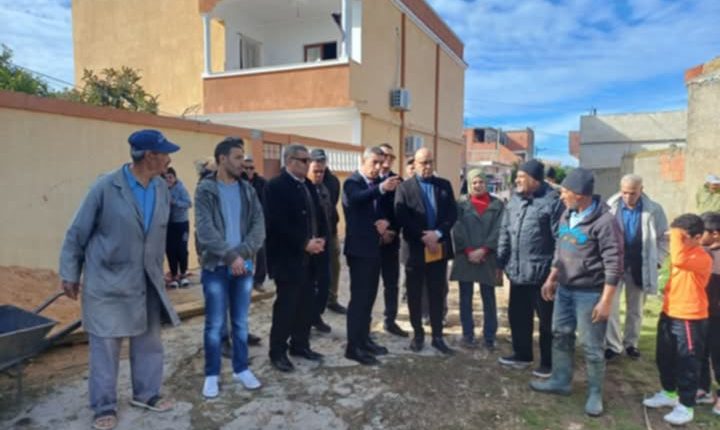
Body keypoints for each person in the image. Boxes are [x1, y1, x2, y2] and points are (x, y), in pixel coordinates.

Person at [59, 129, 180, 430]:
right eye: (165, 153)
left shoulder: (161, 188)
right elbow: (77, 232)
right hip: (108, 280)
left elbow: (158, 234)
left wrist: (161, 268)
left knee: (149, 340)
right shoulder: (106, 187)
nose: (168, 159)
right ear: (150, 156)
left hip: (147, 279)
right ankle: (104, 406)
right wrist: (70, 273)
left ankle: (147, 393)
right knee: (106, 346)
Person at [530, 167, 623, 417]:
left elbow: (614, 263)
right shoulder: (567, 214)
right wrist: (552, 277)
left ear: (579, 194)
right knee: (560, 334)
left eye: (565, 192)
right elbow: (560, 250)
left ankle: (595, 393)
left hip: (590, 293)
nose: (561, 196)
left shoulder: (606, 222)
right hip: (564, 289)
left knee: (592, 346)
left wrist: (606, 301)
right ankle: (561, 381)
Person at [195, 137, 265, 397]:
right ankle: (212, 374)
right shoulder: (206, 190)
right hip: (216, 266)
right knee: (215, 324)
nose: (242, 163)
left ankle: (241, 368)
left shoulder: (247, 190)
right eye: (237, 157)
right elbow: (205, 231)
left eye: (243, 157)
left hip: (243, 264)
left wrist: (241, 256)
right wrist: (229, 257)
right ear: (222, 159)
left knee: (240, 322)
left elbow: (259, 226)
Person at [642, 214, 712, 425]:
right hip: (670, 311)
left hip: (689, 317)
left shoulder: (702, 256)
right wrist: (678, 234)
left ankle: (686, 405)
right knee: (664, 356)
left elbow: (679, 259)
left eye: (682, 237)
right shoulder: (683, 250)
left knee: (687, 362)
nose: (677, 241)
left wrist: (673, 233)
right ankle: (669, 392)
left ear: (697, 237)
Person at [497, 159, 563, 377]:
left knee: (547, 322)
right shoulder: (514, 200)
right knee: (518, 316)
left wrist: (554, 272)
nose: (516, 180)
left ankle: (548, 363)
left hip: (542, 275)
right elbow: (505, 231)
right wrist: (500, 261)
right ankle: (522, 354)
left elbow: (561, 240)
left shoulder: (553, 202)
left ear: (535, 180)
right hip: (517, 272)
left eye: (521, 177)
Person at [266, 144, 328, 372]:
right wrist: (303, 243)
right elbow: (276, 223)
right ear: (289, 161)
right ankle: (277, 352)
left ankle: (300, 345)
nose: (308, 164)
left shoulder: (308, 185)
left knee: (306, 305)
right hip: (288, 258)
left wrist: (321, 238)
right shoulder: (276, 186)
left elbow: (319, 215)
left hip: (311, 257)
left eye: (308, 160)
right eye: (304, 160)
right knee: (286, 307)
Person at [395, 147, 457, 355]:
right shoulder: (404, 188)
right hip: (415, 249)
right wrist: (424, 237)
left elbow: (452, 214)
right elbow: (402, 217)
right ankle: (418, 334)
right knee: (414, 294)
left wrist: (437, 234)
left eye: (430, 162)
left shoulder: (444, 185)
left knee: (437, 292)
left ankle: (437, 336)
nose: (427, 166)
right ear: (415, 164)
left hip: (438, 248)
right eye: (423, 163)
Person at [343, 146, 402, 365]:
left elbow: (378, 211)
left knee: (369, 299)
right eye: (374, 162)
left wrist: (385, 222)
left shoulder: (375, 184)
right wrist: (381, 188)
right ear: (364, 161)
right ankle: (353, 347)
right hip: (359, 251)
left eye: (381, 162)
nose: (378, 167)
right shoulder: (353, 182)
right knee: (359, 300)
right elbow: (357, 199)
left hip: (374, 249)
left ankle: (364, 339)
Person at [605, 174, 668, 360]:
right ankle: (613, 346)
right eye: (624, 192)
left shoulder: (654, 210)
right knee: (611, 306)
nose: (628, 196)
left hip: (640, 265)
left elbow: (664, 238)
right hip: (615, 264)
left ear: (641, 190)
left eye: (632, 193)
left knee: (636, 308)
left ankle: (631, 344)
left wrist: (658, 260)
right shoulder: (610, 207)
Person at [450, 169, 504, 350]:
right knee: (465, 297)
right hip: (465, 256)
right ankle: (468, 334)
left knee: (488, 297)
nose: (478, 185)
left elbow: (500, 229)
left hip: (488, 257)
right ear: (469, 184)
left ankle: (489, 336)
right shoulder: (461, 204)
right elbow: (457, 227)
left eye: (481, 182)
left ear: (486, 184)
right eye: (474, 182)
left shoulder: (497, 205)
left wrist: (485, 249)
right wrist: (468, 250)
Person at [378, 143, 408, 337]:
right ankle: (365, 324)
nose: (387, 160)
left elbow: (401, 210)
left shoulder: (398, 181)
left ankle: (390, 320)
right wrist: (378, 231)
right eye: (384, 155)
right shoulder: (369, 180)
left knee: (391, 283)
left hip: (391, 240)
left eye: (391, 157)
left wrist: (392, 229)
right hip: (370, 241)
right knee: (368, 286)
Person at [316, 150, 346, 315]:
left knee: (334, 265)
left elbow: (332, 203)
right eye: (316, 160)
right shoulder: (309, 180)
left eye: (322, 160)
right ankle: (316, 303)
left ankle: (332, 299)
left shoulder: (333, 181)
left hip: (331, 230)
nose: (320, 163)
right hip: (315, 234)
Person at [307, 151, 334, 333]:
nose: (319, 175)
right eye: (315, 171)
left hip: (323, 243)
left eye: (322, 171)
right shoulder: (304, 189)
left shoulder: (324, 189)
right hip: (306, 246)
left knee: (325, 283)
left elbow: (328, 216)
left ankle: (316, 316)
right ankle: (306, 320)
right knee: (308, 287)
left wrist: (325, 238)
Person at [698, 211, 720, 413]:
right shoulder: (701, 251)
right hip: (701, 313)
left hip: (717, 315)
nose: (697, 235)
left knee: (718, 355)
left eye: (701, 231)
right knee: (700, 352)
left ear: (715, 234)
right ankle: (703, 389)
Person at [241, 155, 269, 292]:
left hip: (258, 222)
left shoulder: (262, 183)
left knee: (261, 252)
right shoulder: (237, 182)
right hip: (242, 223)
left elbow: (267, 202)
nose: (248, 170)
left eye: (251, 168)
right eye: (246, 168)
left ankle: (258, 280)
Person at [164, 167, 192, 288]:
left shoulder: (181, 189)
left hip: (181, 223)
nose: (168, 180)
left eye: (170, 177)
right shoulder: (162, 190)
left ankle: (183, 274)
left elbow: (188, 203)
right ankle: (174, 274)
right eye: (166, 178)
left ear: (175, 178)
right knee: (171, 250)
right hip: (169, 223)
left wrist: (174, 202)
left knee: (182, 249)